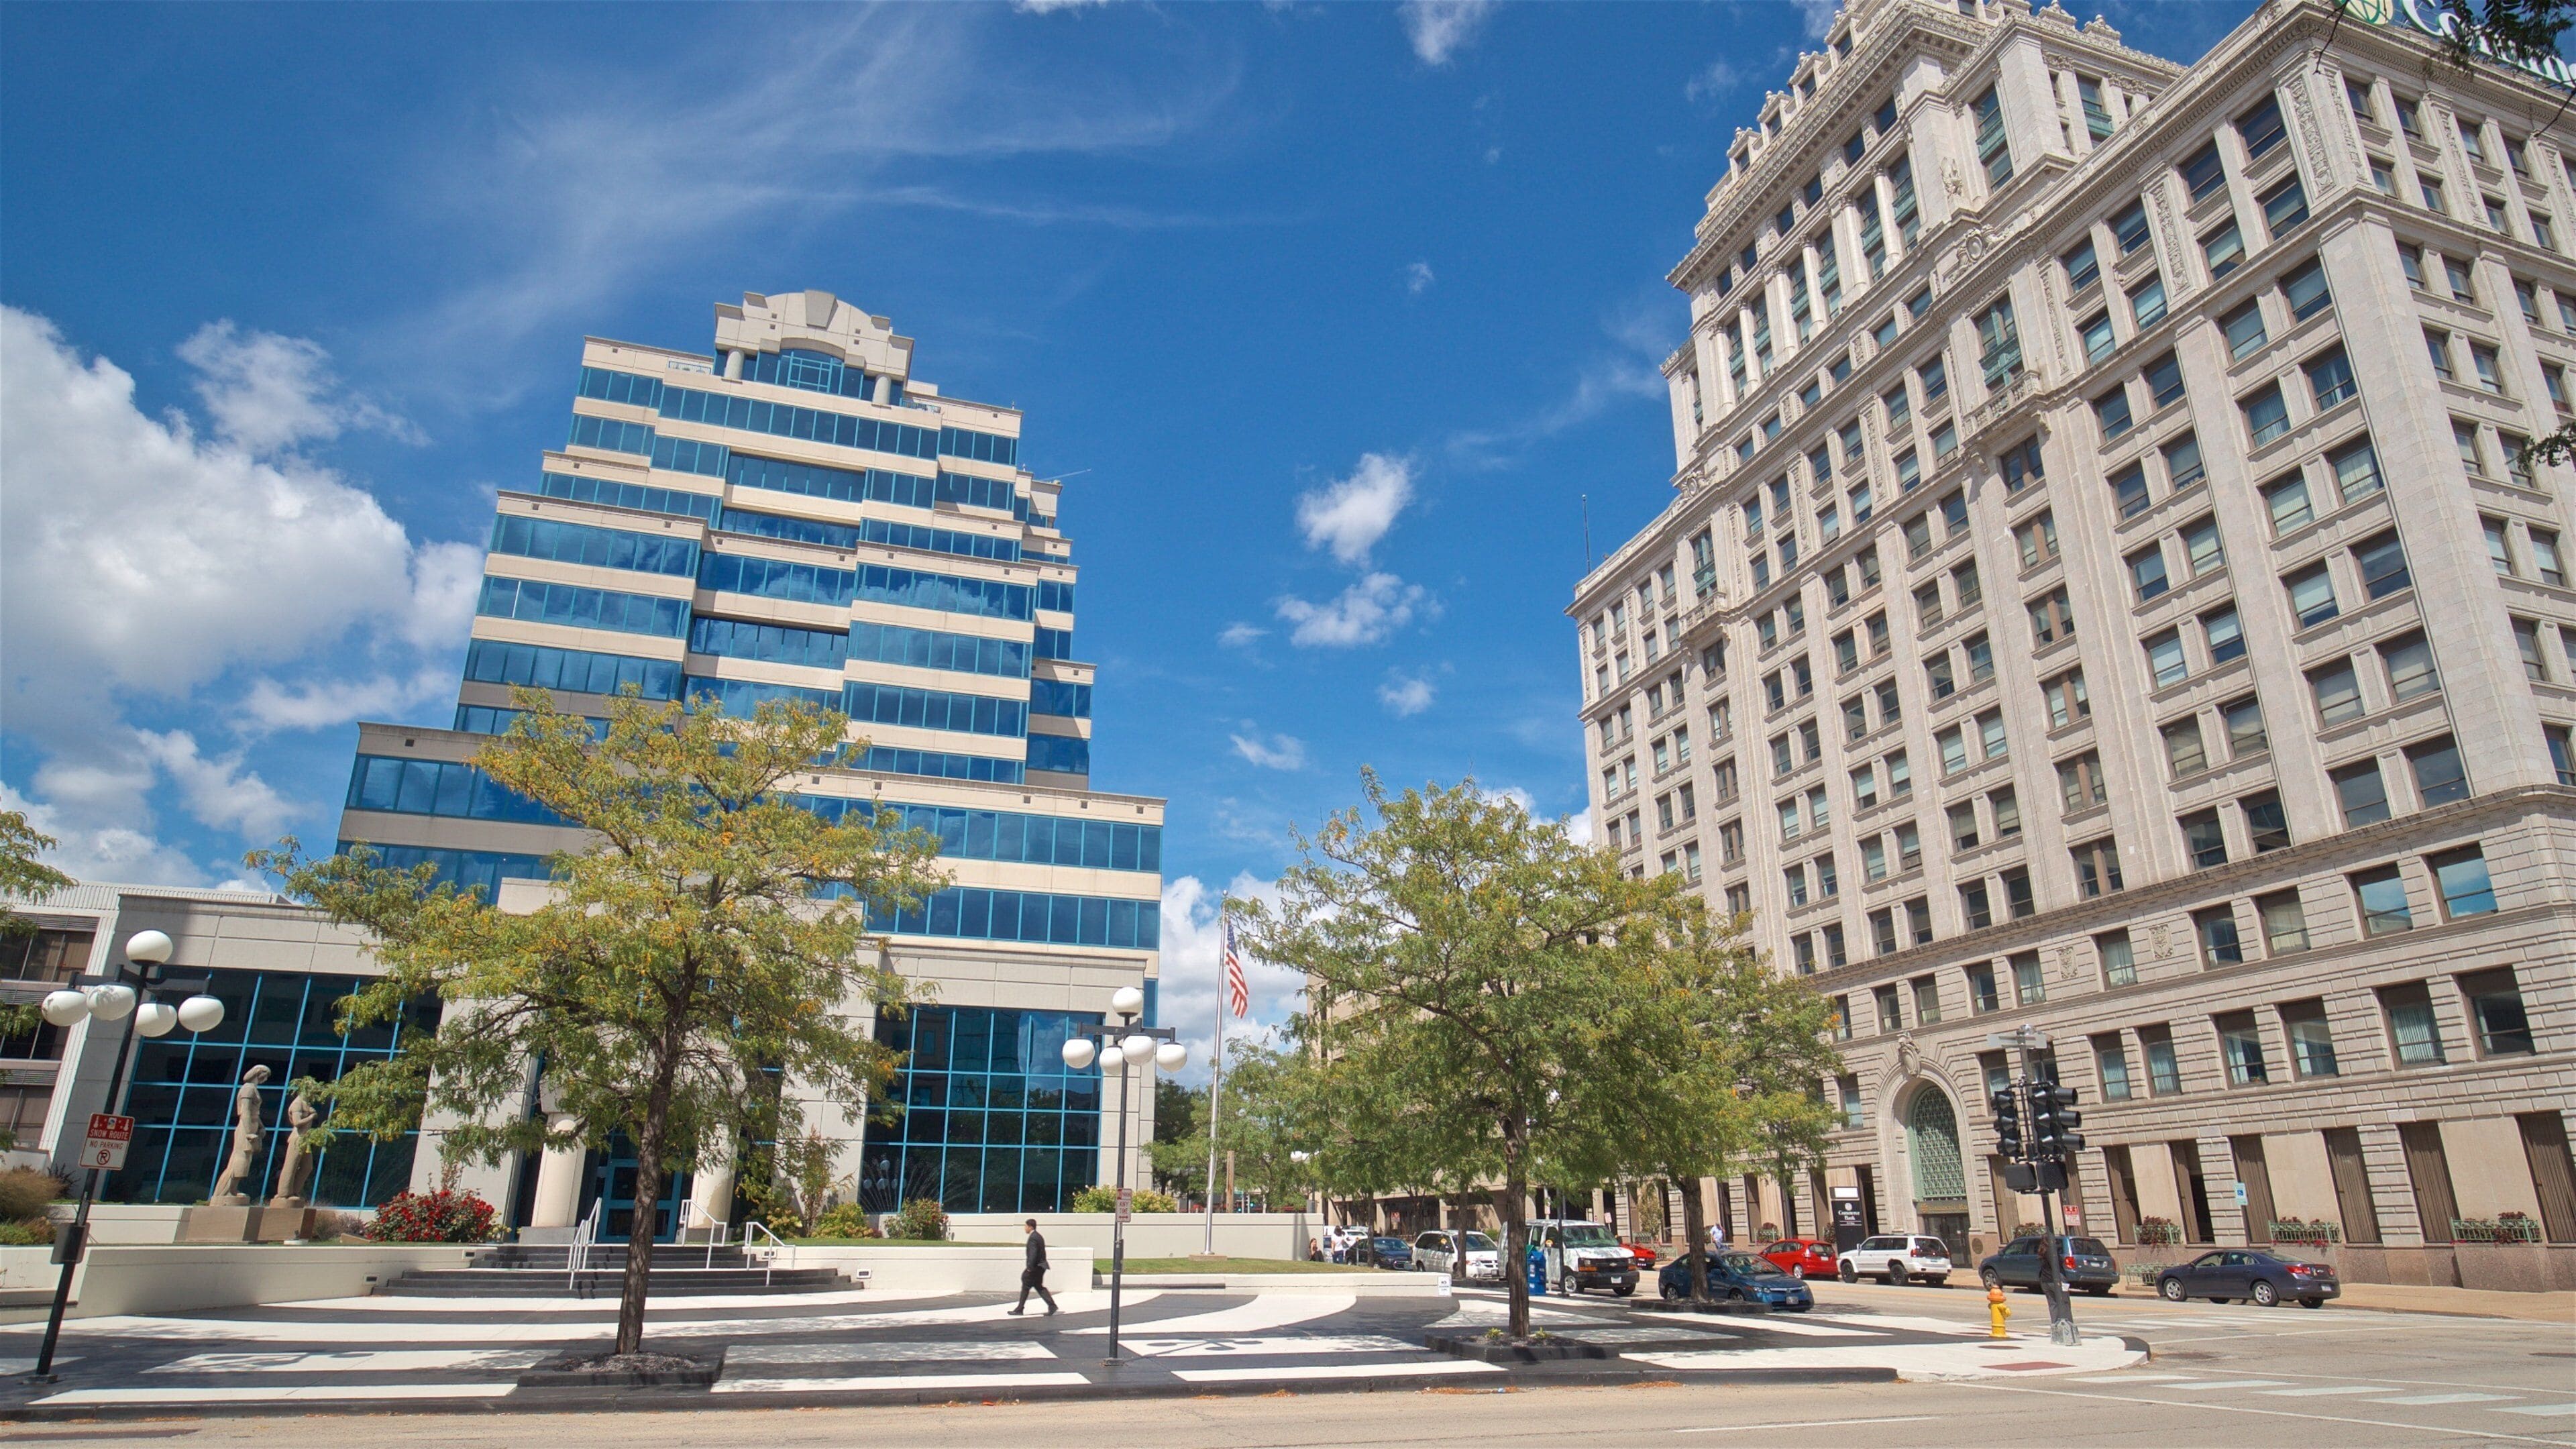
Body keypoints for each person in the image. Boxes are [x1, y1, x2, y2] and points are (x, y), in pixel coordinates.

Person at [1008, 1218, 1058, 1316]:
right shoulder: (1039, 1236)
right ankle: (1052, 1305)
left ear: (1030, 1227)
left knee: (1026, 1283)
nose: (1025, 1228)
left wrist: (1030, 1267)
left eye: (1026, 1226)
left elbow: (1033, 1253)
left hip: (1036, 1267)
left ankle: (1020, 1309)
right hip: (1041, 1266)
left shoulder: (1033, 1238)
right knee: (1038, 1286)